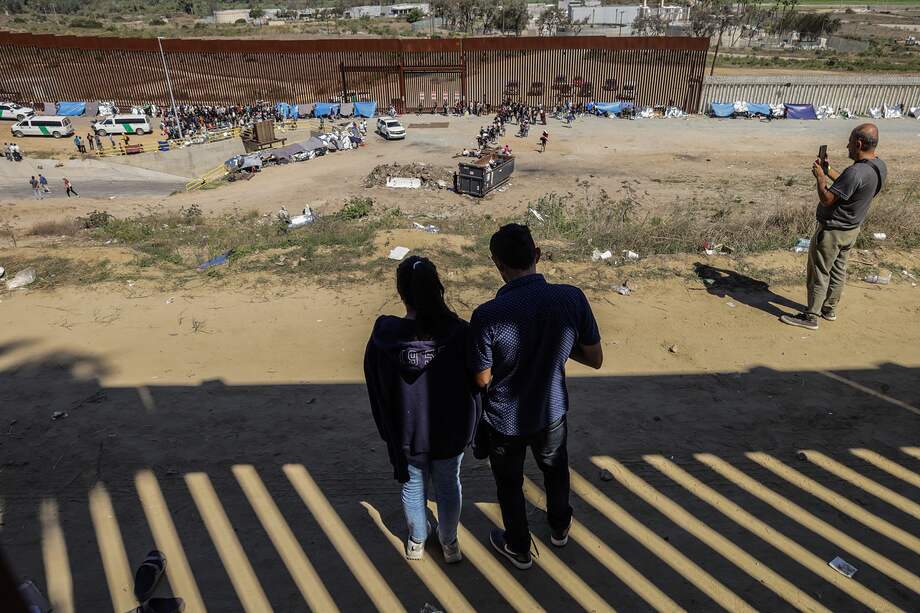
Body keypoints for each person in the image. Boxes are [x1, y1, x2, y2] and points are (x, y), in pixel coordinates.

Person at [469, 224, 602, 570]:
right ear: (537, 255)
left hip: (504, 421)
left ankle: (519, 547)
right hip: (551, 411)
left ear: (497, 264)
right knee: (555, 470)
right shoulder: (571, 298)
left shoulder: (486, 316)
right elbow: (595, 358)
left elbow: (482, 379)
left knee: (509, 484)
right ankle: (559, 526)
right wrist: (554, 348)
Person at [364, 256, 481, 564]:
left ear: (401, 293)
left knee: (412, 485)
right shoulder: (460, 333)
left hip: (406, 432)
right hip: (451, 430)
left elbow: (375, 382)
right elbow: (477, 380)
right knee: (448, 485)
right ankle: (449, 542)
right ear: (437, 289)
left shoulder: (384, 335)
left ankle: (417, 540)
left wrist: (387, 426)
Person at [781, 123, 887, 330]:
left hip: (833, 231)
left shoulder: (855, 171)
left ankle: (811, 316)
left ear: (859, 144)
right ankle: (829, 310)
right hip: (851, 229)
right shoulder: (878, 166)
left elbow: (827, 199)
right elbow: (849, 185)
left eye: (849, 142)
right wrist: (828, 171)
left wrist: (821, 178)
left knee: (819, 272)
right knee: (838, 271)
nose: (847, 146)